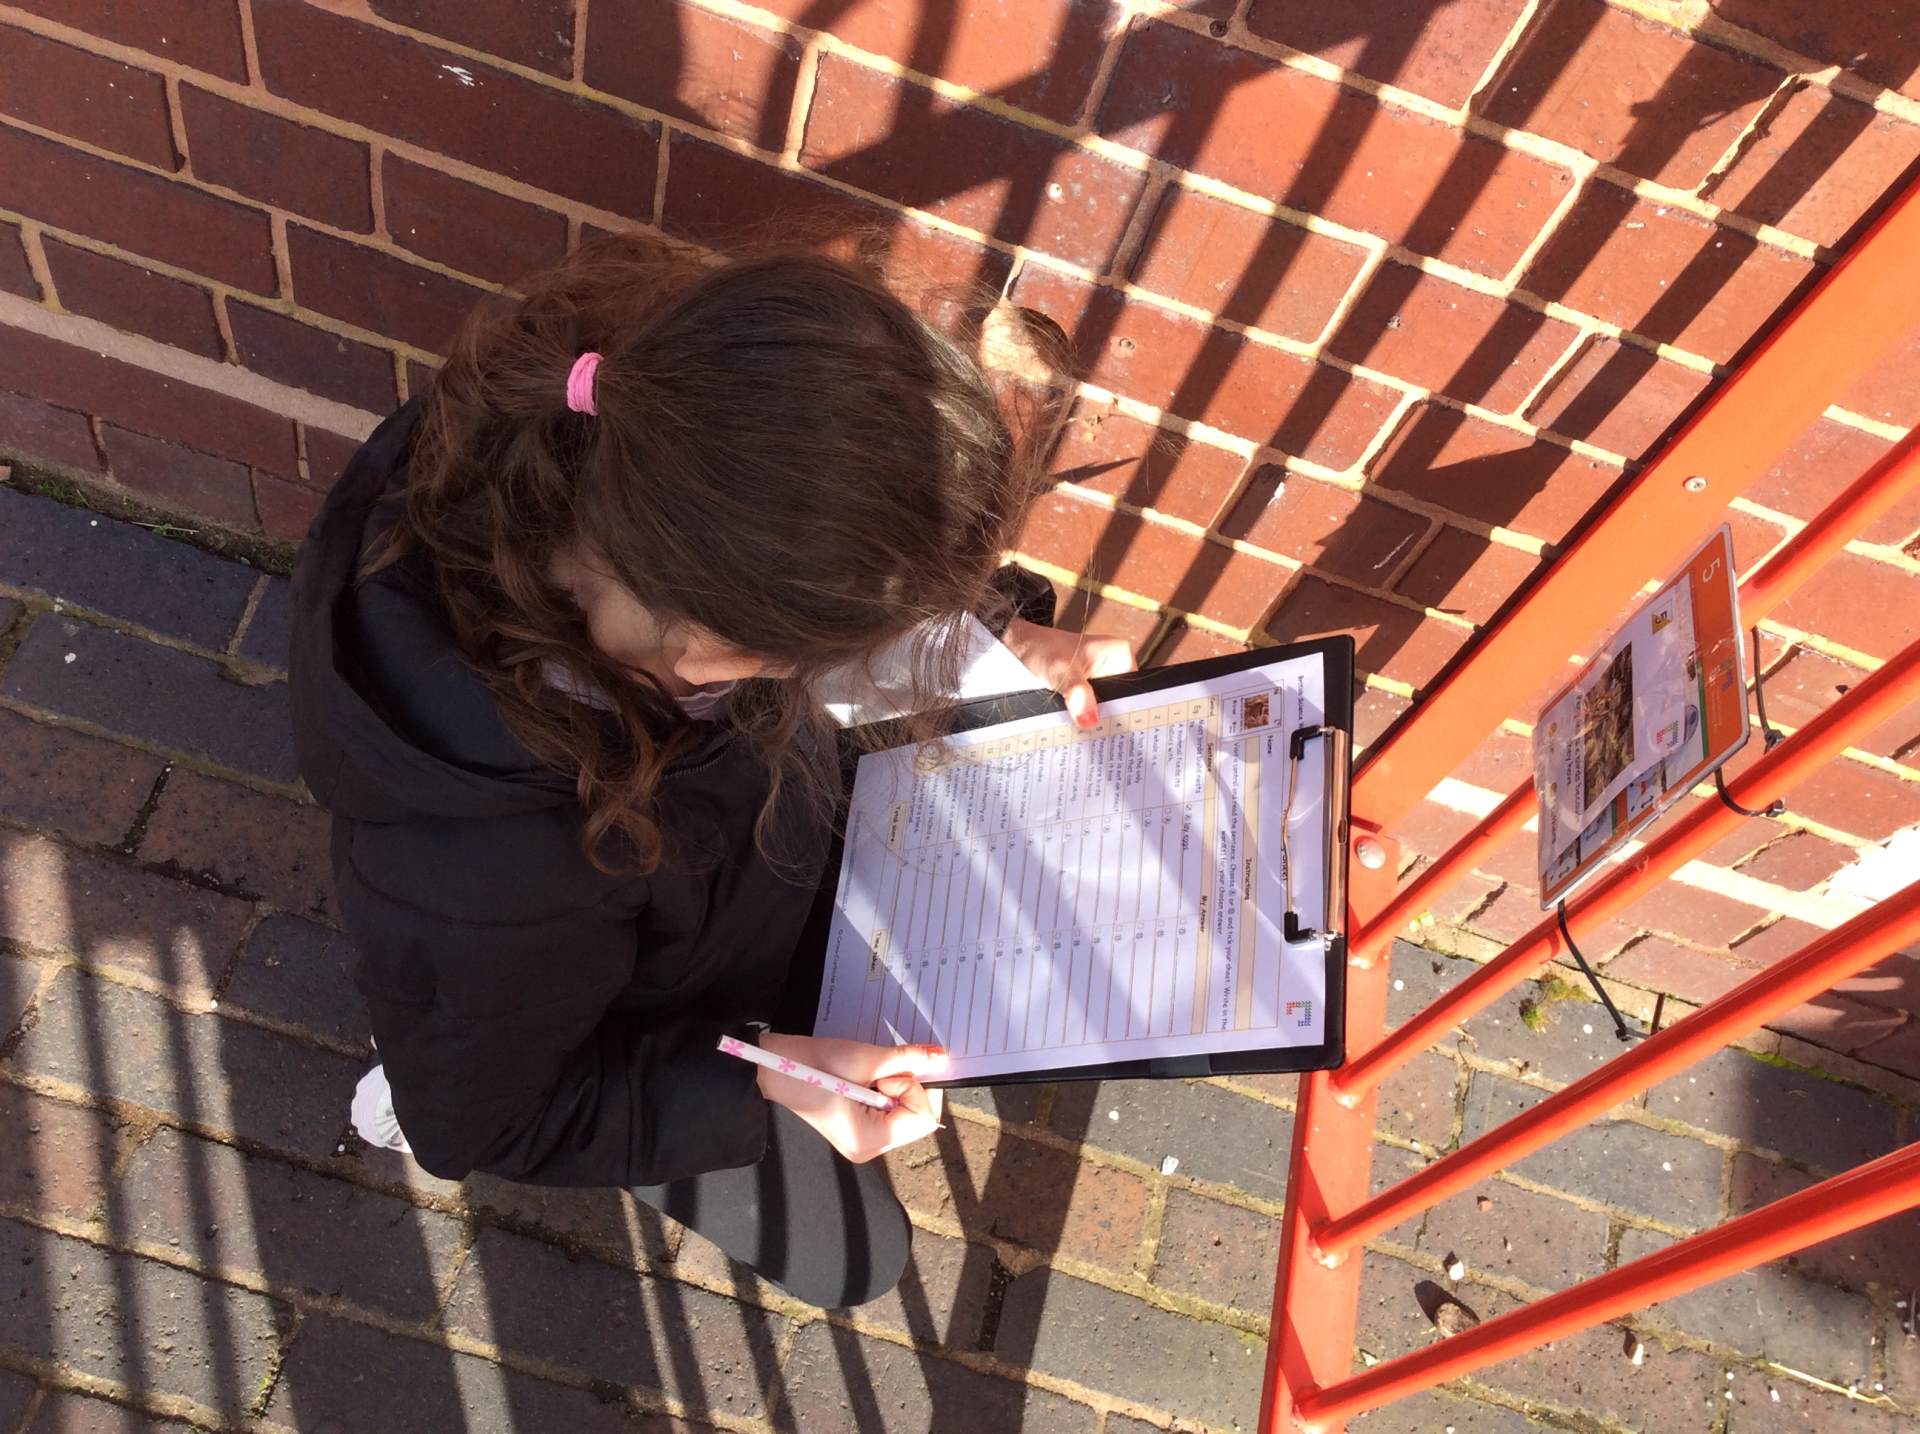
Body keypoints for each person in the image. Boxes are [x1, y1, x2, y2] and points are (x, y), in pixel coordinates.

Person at [287, 232, 1135, 1309]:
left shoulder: (611, 430)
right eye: (837, 640)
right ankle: (423, 1054)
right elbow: (488, 1123)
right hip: (602, 1003)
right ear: (718, 652)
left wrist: (1004, 643)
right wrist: (763, 1083)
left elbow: (824, 576)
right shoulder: (496, 875)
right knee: (854, 1256)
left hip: (718, 867)